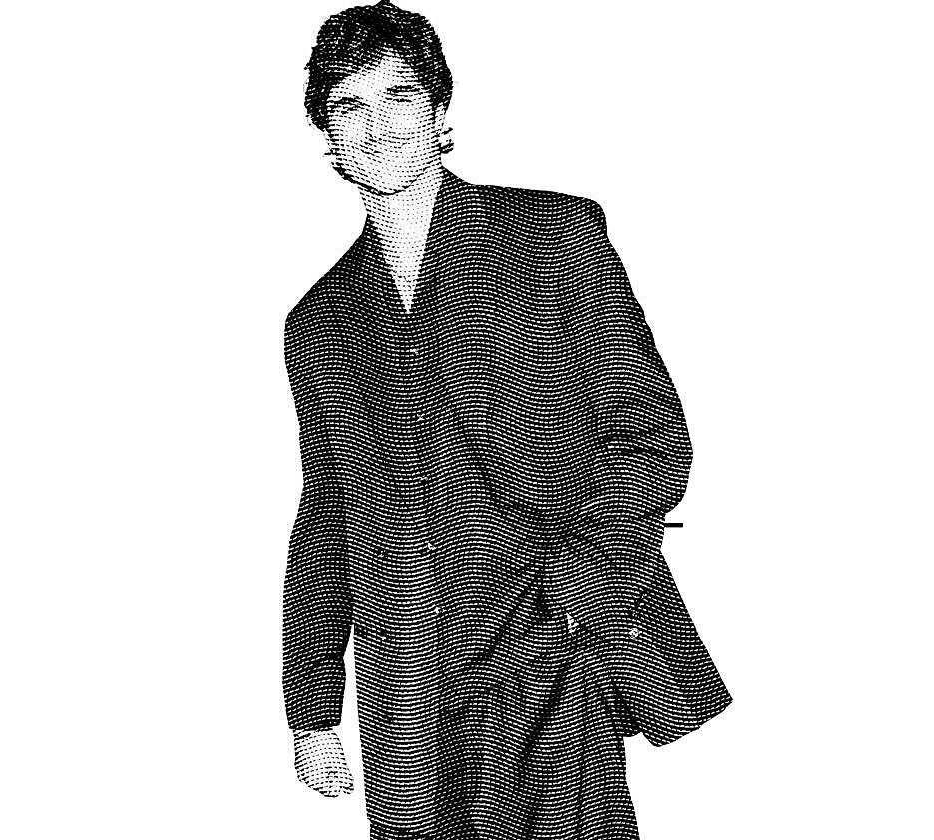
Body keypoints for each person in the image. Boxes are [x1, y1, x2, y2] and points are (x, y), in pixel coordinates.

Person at [283, 3, 733, 839]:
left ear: (441, 112)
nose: (377, 128)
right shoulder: (318, 320)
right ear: (327, 135)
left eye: (399, 98)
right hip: (406, 673)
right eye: (349, 106)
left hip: (548, 642)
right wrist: (312, 710)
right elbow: (328, 515)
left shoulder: (552, 236)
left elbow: (649, 432)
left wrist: (580, 584)